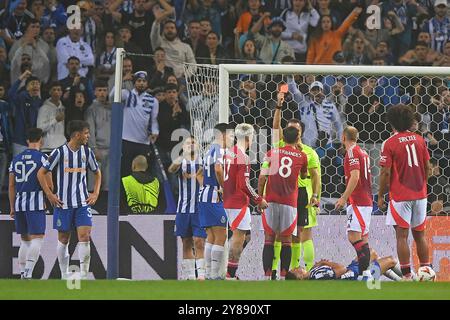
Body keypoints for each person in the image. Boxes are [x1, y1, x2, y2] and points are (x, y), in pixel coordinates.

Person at [37, 120, 101, 280]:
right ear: (77, 135)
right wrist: (50, 194)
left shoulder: (87, 152)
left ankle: (84, 275)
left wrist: (95, 193)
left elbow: (97, 173)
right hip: (63, 203)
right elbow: (41, 173)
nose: (88, 136)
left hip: (82, 203)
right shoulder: (59, 152)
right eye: (86, 133)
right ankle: (64, 274)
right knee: (64, 239)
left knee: (85, 236)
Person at [270, 91, 321, 278]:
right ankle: (276, 271)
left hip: (301, 194)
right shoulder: (282, 145)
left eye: (294, 129)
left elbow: (317, 177)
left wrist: (316, 197)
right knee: (280, 235)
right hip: (283, 194)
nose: (290, 131)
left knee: (302, 235)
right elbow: (276, 127)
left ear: (300, 133)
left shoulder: (309, 153)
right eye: (289, 128)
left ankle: (303, 271)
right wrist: (279, 106)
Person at [378, 104, 432, 280]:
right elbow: (427, 167)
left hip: (401, 195)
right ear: (410, 121)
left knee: (402, 235)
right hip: (420, 194)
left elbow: (385, 172)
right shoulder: (419, 139)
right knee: (420, 234)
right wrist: (422, 184)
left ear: (391, 122)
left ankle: (407, 276)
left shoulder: (390, 143)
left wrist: (380, 195)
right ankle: (425, 272)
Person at [258, 126, 308, 280]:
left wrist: (260, 198)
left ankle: (267, 277)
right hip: (290, 203)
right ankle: (284, 276)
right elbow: (304, 175)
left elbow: (262, 178)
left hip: (271, 201)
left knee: (269, 239)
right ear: (298, 137)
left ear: (283, 138)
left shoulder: (271, 153)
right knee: (286, 240)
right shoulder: (302, 156)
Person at [223, 123, 267, 280]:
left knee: (246, 237)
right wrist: (258, 199)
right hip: (238, 202)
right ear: (250, 137)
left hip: (228, 200)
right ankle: (229, 275)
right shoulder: (243, 157)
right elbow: (244, 184)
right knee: (239, 238)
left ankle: (228, 265)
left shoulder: (229, 153)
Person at [8, 128, 50, 279]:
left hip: (19, 203)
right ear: (41, 140)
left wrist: (12, 207)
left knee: (25, 241)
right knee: (37, 238)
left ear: (27, 141)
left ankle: (22, 273)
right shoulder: (43, 158)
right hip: (36, 203)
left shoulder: (16, 159)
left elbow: (11, 185)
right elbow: (49, 185)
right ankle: (28, 272)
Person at [335, 126, 373, 278]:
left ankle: (366, 272)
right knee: (363, 239)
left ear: (343, 137)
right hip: (366, 201)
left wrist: (344, 197)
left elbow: (355, 176)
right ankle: (365, 274)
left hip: (358, 200)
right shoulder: (363, 152)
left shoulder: (351, 152)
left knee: (354, 237)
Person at [198, 123, 233, 280]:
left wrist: (206, 185)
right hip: (214, 196)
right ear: (223, 135)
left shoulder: (209, 151)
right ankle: (215, 276)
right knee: (221, 235)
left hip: (205, 194)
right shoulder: (220, 150)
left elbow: (199, 173)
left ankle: (208, 274)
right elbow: (218, 169)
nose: (231, 139)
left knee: (211, 236)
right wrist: (223, 187)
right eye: (230, 135)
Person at [168, 137, 206, 280]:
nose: (191, 144)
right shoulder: (181, 162)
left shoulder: (203, 161)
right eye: (188, 143)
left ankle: (201, 275)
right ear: (183, 146)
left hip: (200, 209)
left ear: (198, 146)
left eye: (194, 142)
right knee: (186, 242)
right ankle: (190, 276)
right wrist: (182, 156)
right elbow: (171, 169)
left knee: (199, 241)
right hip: (183, 209)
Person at [111, 71, 159, 177]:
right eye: (139, 81)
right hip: (127, 141)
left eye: (144, 81)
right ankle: (125, 194)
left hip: (143, 142)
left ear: (147, 83)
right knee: (125, 172)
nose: (141, 83)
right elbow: (112, 95)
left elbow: (154, 120)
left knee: (142, 172)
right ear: (134, 82)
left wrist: (155, 132)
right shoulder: (127, 95)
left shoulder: (153, 100)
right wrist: (122, 79)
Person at [286, 249, 402, 281]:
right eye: (295, 270)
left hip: (352, 271)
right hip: (357, 278)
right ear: (299, 278)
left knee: (370, 253)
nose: (298, 267)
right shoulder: (316, 276)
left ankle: (401, 279)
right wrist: (324, 262)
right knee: (391, 260)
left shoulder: (312, 272)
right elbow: (342, 269)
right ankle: (410, 278)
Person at [85, 80, 111, 192]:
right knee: (94, 183)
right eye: (99, 90)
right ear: (95, 92)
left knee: (108, 184)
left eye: (104, 90)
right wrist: (94, 149)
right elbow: (90, 131)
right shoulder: (91, 109)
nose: (102, 93)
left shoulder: (112, 108)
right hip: (97, 149)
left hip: (111, 149)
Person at [9, 72, 42, 156]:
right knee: (18, 167)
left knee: (32, 168)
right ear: (27, 87)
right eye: (32, 84)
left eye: (37, 84)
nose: (35, 86)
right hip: (20, 141)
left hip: (33, 141)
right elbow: (11, 94)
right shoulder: (22, 97)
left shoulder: (39, 102)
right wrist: (22, 77)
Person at [36, 81, 66, 154]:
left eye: (58, 90)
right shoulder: (44, 108)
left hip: (62, 146)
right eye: (54, 90)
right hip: (48, 148)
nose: (56, 92)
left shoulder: (63, 108)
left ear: (61, 92)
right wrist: (55, 120)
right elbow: (40, 128)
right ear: (50, 92)